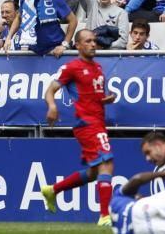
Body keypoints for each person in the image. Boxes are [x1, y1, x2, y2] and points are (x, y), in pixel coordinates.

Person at [39, 28, 115, 226]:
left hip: (98, 121)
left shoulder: (98, 68)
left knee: (92, 173)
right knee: (107, 164)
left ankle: (52, 190)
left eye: (94, 41)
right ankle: (105, 216)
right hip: (87, 124)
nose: (93, 44)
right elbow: (50, 90)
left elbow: (93, 98)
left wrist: (107, 99)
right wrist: (52, 105)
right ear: (78, 45)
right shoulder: (72, 67)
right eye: (88, 41)